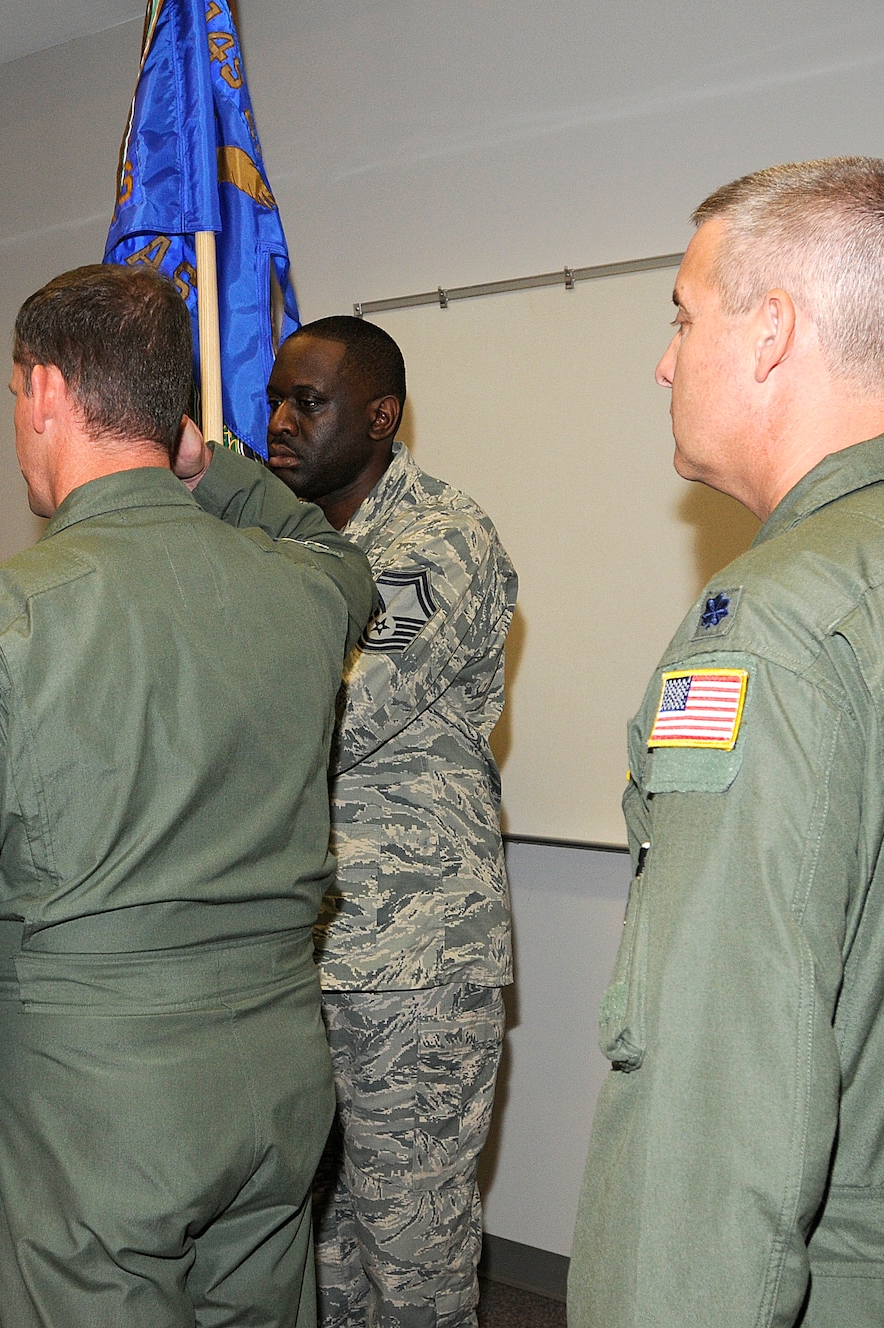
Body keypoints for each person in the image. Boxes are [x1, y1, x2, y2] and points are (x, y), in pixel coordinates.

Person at [569, 157, 884, 1327]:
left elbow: (715, 1097)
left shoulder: (774, 630)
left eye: (683, 314)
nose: (663, 357)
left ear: (769, 334)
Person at [0, 264, 376, 1328]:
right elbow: (335, 557)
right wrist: (210, 465)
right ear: (170, 415)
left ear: (42, 392)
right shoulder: (301, 596)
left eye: (11, 397)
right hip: (271, 1086)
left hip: (86, 1119)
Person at [264, 316, 517, 1328]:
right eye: (273, 397)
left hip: (412, 960)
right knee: (317, 1244)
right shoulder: (281, 542)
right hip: (304, 949)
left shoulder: (433, 539)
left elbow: (334, 709)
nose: (277, 421)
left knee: (410, 1251)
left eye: (306, 402)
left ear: (379, 416)